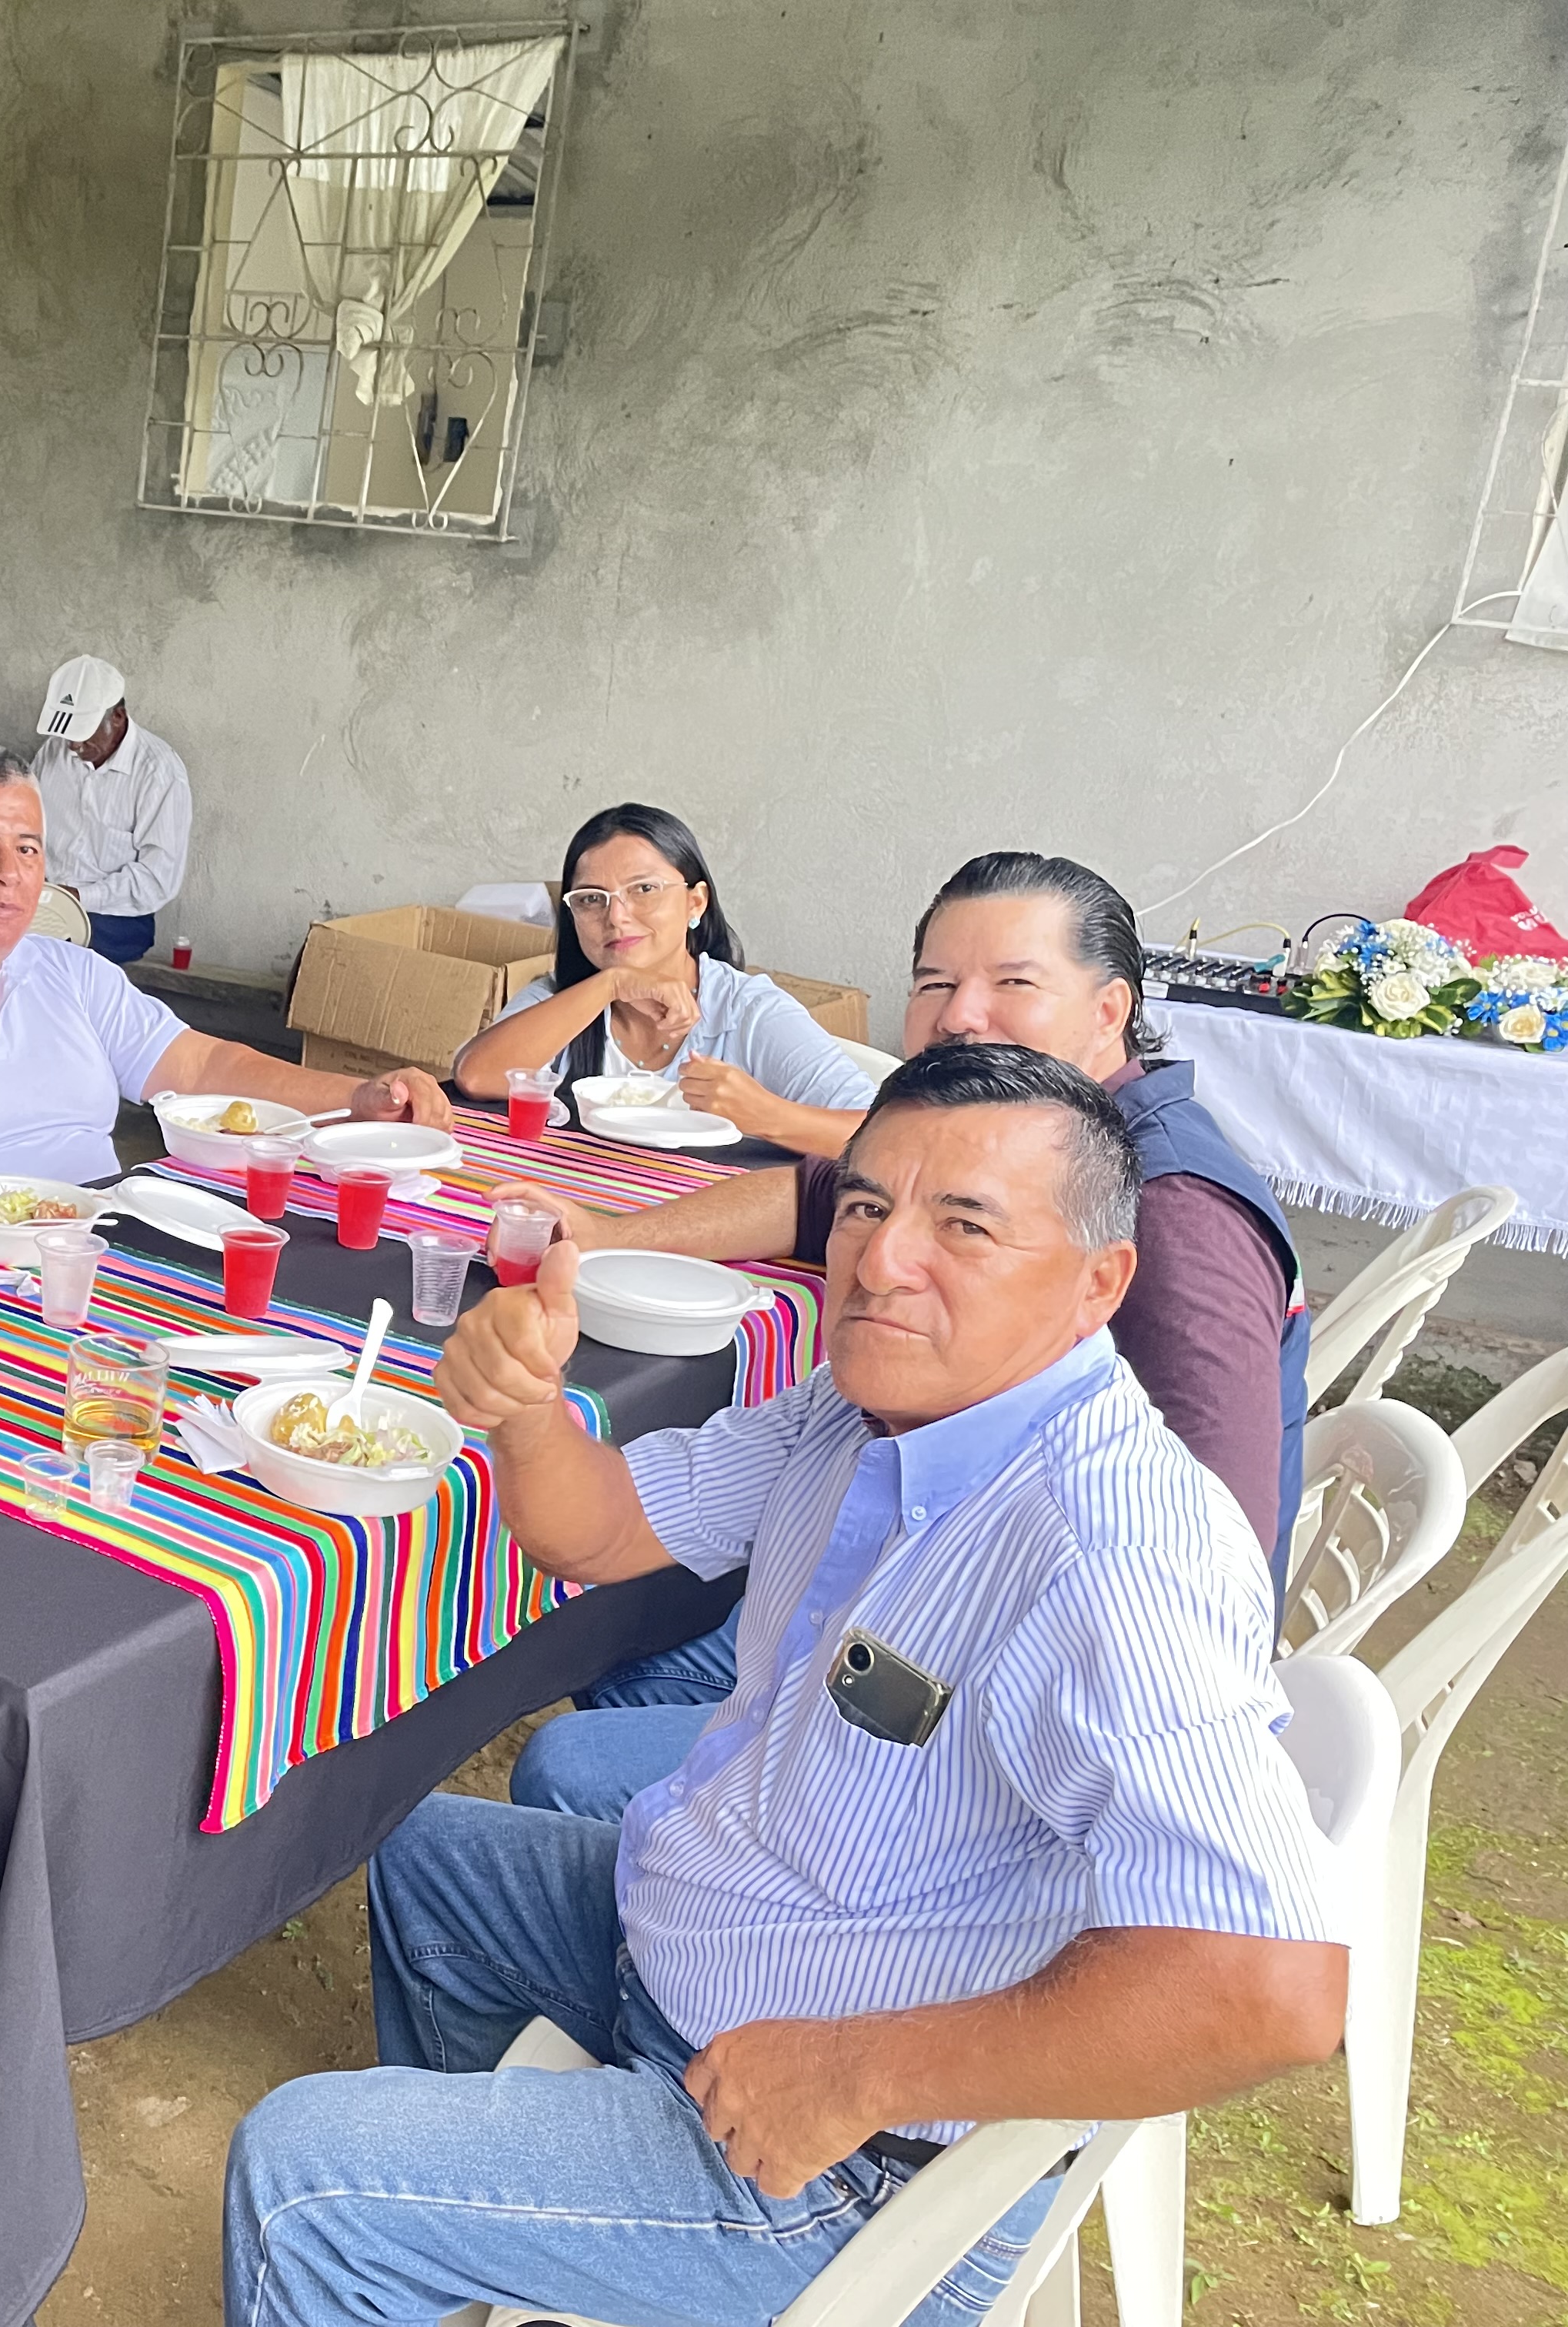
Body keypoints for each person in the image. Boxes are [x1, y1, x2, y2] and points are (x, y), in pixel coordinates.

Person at [222, 1043, 1346, 2327]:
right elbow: (601, 1528)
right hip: (710, 1950)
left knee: (304, 2180)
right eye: (864, 1205)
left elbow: (1271, 1987)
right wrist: (527, 1409)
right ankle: (503, 2247)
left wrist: (858, 2071)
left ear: (1099, 1282)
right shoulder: (861, 1408)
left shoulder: (1110, 1549)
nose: (882, 1260)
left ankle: (430, 2228)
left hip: (844, 2163)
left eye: (964, 1223)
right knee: (421, 1859)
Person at [505, 851, 1313, 1821]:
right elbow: (809, 1193)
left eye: (1013, 983)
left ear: (1109, 1011)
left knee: (579, 1754)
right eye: (934, 983)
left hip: (1011, 1669)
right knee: (636, 1648)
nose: (960, 1016)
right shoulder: (974, 1163)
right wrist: (611, 1238)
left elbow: (1205, 1555)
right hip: (901, 1565)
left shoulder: (1174, 1213)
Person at [0, 745, 449, 1180]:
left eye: (29, 850)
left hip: (97, 1249)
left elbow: (201, 1066)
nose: (9, 873)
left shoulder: (70, 972)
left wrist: (358, 1098)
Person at [453, 803, 876, 1152]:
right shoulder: (558, 999)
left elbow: (879, 1135)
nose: (616, 917)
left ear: (696, 902)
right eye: (591, 899)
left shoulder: (749, 1012)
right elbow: (476, 1076)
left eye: (644, 889)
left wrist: (765, 1115)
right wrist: (612, 984)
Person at [32, 654, 192, 966]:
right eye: (68, 734)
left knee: (52, 958)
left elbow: (157, 879)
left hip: (114, 919)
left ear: (118, 717)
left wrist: (79, 897)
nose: (73, 746)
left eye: (83, 732)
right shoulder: (54, 751)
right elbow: (26, 826)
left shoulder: (159, 772)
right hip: (47, 903)